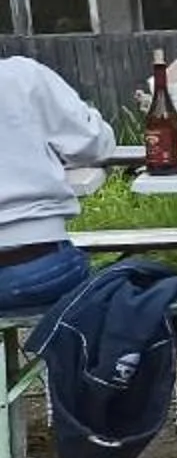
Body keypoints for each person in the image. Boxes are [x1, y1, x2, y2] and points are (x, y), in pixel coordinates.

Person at [0, 55, 114, 320]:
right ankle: (80, 360)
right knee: (108, 286)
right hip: (37, 263)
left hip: (33, 264)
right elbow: (93, 144)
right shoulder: (24, 76)